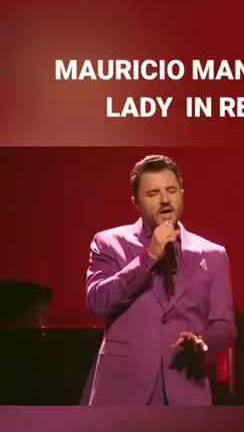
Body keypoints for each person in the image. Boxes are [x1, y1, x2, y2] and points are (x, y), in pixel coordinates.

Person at [85, 154, 236, 405]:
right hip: (122, 393)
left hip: (186, 391)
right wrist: (149, 256)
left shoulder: (213, 254)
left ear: (182, 193)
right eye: (153, 193)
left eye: (171, 191)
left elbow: (225, 325)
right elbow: (98, 302)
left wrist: (202, 342)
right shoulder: (108, 243)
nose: (165, 200)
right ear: (136, 203)